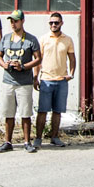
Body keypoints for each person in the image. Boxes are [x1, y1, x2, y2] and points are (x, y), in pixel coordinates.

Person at [0, 10, 42, 153]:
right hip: (8, 81)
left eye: (16, 21)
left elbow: (38, 59)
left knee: (25, 113)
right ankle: (7, 141)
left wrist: (23, 66)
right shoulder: (5, 38)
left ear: (22, 21)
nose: (13, 24)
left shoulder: (31, 39)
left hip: (24, 82)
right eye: (11, 21)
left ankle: (27, 142)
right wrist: (4, 65)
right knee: (8, 113)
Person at [35, 12, 75, 149]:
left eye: (56, 22)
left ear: (61, 23)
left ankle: (55, 137)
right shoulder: (43, 39)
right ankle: (38, 138)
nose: (53, 25)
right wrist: (36, 77)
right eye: (51, 22)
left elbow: (72, 59)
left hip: (61, 81)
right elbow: (37, 60)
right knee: (42, 111)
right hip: (46, 79)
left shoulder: (67, 40)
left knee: (57, 111)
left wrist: (71, 74)